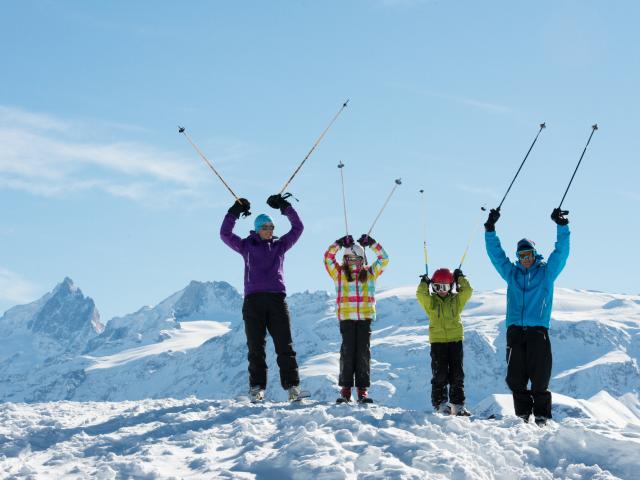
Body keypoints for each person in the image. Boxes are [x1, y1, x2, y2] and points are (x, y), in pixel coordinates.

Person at [484, 207, 570, 426]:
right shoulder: (511, 274)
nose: (525, 259)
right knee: (516, 378)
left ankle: (542, 417)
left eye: (528, 255)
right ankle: (522, 417)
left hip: (537, 330)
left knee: (540, 377)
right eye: (521, 256)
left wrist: (562, 226)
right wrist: (490, 230)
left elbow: (561, 253)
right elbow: (497, 257)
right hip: (515, 331)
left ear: (534, 254)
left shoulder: (546, 273)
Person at [220, 194, 305, 402]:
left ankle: (293, 388)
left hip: (277, 301)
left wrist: (285, 207)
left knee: (285, 346)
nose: (269, 230)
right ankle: (257, 388)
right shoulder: (246, 246)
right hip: (253, 302)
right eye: (265, 227)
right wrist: (234, 212)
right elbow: (224, 233)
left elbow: (298, 228)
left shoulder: (280, 246)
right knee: (256, 348)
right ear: (257, 229)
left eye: (271, 227)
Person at [324, 233, 389, 403]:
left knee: (362, 353)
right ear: (344, 260)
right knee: (347, 352)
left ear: (362, 259)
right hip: (346, 318)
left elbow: (384, 259)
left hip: (364, 319)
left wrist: (373, 243)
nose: (352, 264)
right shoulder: (339, 274)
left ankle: (362, 390)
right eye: (348, 260)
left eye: (356, 260)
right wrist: (338, 244)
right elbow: (328, 258)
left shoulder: (370, 273)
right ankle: (345, 390)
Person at [416, 267, 473, 415]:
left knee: (457, 375)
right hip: (438, 342)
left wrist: (460, 278)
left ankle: (458, 406)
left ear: (451, 286)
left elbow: (467, 291)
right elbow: (420, 294)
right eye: (437, 287)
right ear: (433, 287)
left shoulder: (456, 300)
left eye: (445, 286)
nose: (441, 290)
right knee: (439, 374)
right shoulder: (431, 302)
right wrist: (424, 282)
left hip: (455, 341)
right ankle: (440, 405)